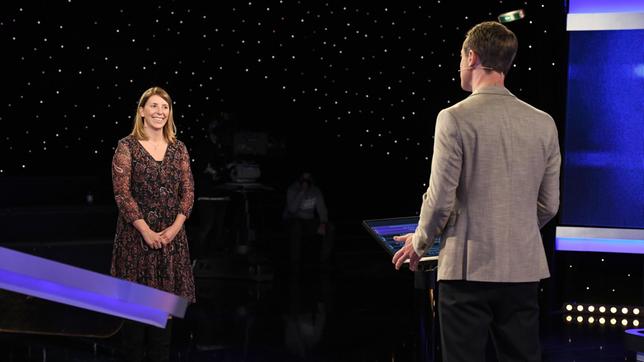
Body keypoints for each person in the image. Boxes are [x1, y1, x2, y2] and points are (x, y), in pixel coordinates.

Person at [392, 21, 560, 362]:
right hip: (523, 271)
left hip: (467, 272)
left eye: (460, 57)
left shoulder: (454, 118)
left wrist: (419, 243)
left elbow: (439, 200)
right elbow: (549, 204)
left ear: (472, 57)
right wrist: (513, 232)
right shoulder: (544, 122)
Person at [111, 86, 196, 362]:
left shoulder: (178, 148)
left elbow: (188, 192)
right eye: (155, 106)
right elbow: (122, 194)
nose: (160, 112)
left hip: (170, 245)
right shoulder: (127, 147)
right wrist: (146, 231)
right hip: (136, 242)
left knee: (162, 333)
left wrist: (173, 229)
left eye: (165, 107)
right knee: (134, 334)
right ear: (142, 111)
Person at [283, 172, 334, 266]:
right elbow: (292, 210)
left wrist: (323, 222)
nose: (306, 180)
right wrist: (302, 192)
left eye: (308, 178)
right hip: (293, 219)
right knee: (296, 227)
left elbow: (321, 208)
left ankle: (324, 261)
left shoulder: (316, 190)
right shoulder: (292, 189)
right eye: (304, 178)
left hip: (309, 220)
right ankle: (295, 262)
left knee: (329, 227)